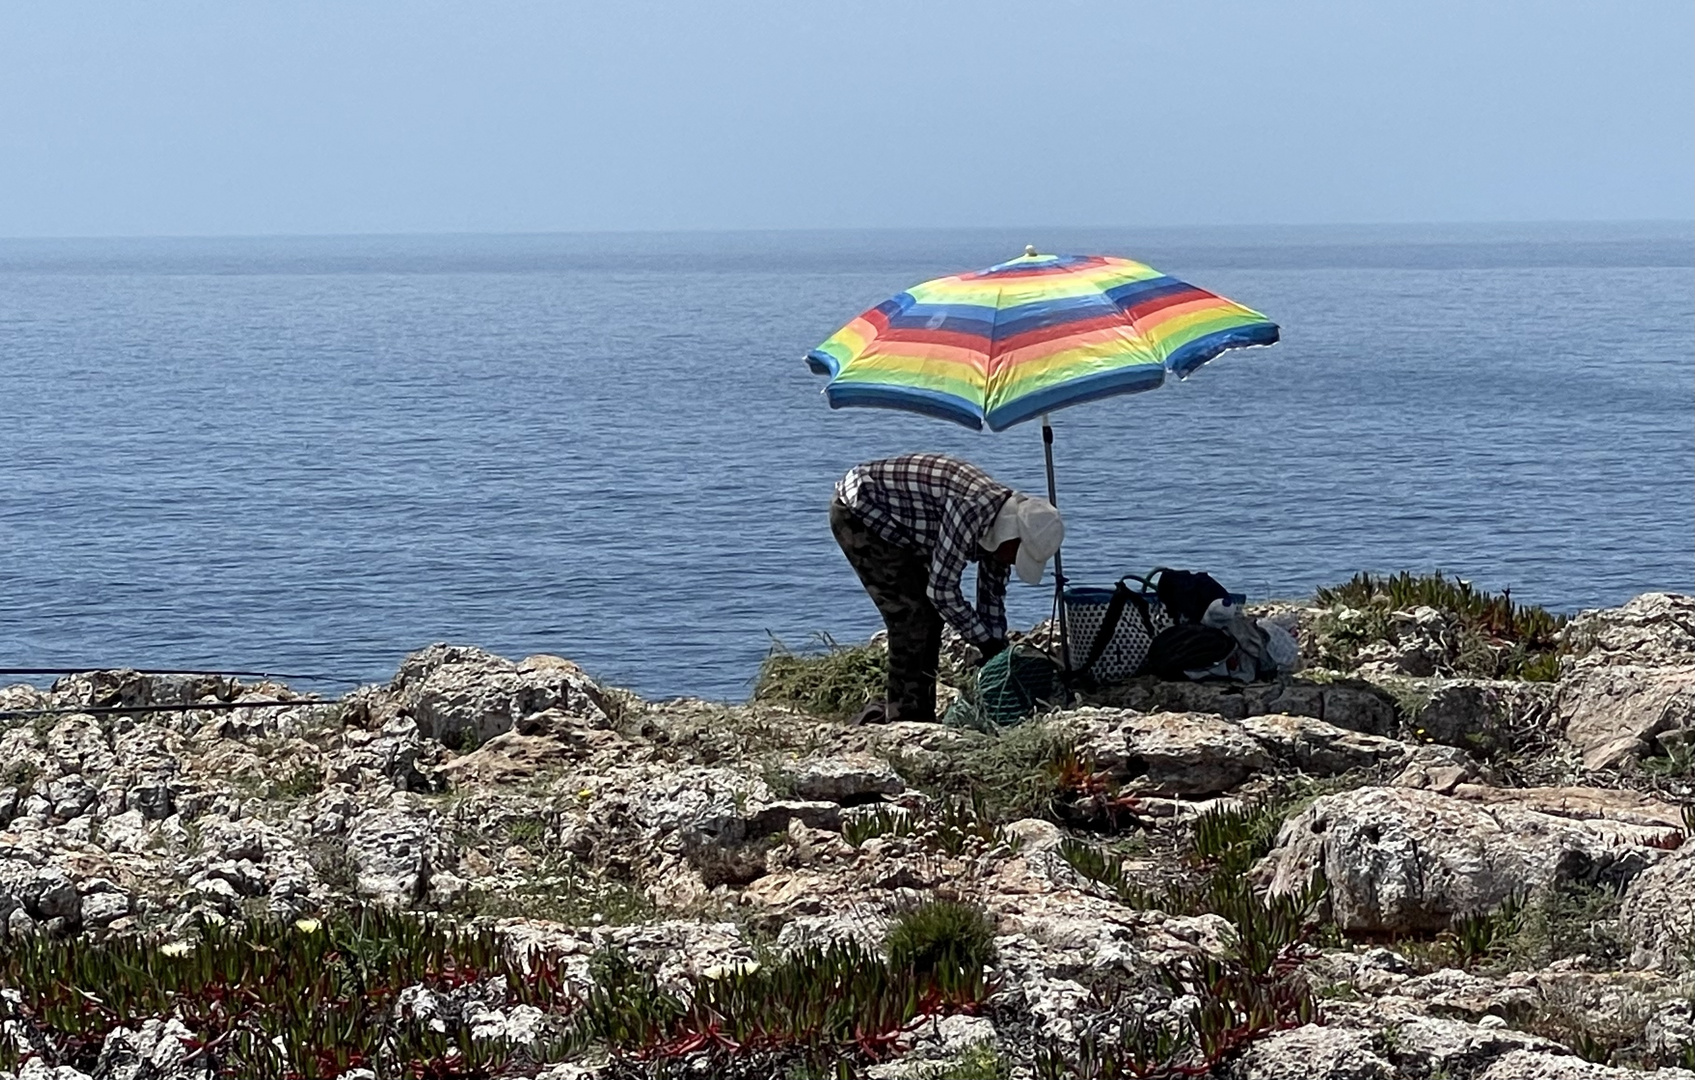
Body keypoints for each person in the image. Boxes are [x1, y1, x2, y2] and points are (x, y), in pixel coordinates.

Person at [829, 452, 1064, 724]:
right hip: (862, 510)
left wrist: (996, 645)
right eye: (1016, 556)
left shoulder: (1002, 534)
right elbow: (941, 591)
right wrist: (983, 641)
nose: (1012, 562)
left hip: (910, 526)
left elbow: (992, 596)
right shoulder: (971, 509)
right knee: (913, 616)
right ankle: (907, 716)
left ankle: (914, 710)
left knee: (928, 616)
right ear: (1013, 536)